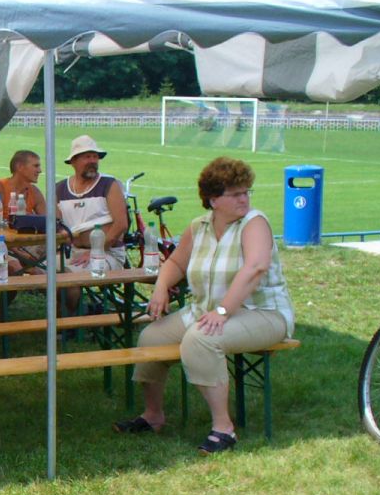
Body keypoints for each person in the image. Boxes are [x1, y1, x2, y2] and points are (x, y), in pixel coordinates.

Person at [114, 157, 294, 454]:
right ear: (213, 199)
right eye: (235, 194)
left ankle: (223, 428)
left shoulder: (254, 223)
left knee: (202, 339)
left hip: (262, 314)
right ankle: (153, 415)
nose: (244, 199)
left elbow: (256, 268)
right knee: (150, 337)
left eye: (246, 192)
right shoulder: (198, 227)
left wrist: (223, 311)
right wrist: (160, 287)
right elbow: (176, 263)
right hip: (205, 311)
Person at [55, 135, 129, 314]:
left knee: (67, 278)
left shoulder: (109, 184)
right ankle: (69, 316)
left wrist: (95, 250)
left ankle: (68, 321)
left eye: (95, 157)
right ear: (73, 161)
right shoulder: (60, 188)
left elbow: (121, 224)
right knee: (40, 273)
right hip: (72, 251)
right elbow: (56, 224)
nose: (93, 161)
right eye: (87, 157)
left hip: (106, 252)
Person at [0, 150, 49, 272]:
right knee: (14, 267)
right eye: (36, 166)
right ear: (20, 167)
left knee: (45, 271)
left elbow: (48, 222)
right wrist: (17, 251)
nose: (40, 170)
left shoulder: (34, 192)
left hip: (23, 245)